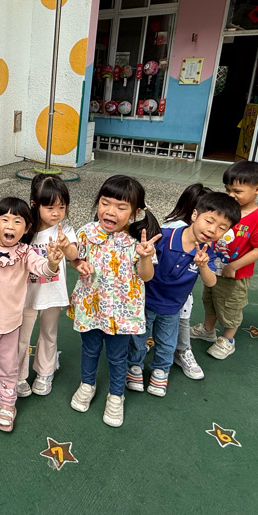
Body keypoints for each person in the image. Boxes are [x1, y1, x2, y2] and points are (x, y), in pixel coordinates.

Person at [68, 175, 159, 427]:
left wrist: (144, 257)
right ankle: (87, 384)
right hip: (91, 306)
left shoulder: (138, 241)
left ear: (135, 213)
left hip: (122, 313)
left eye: (121, 207)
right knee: (89, 349)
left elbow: (146, 276)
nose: (110, 211)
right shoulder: (87, 232)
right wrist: (78, 264)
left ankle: (116, 396)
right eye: (105, 203)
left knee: (118, 356)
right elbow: (76, 258)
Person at [128, 191, 238, 397]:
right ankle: (134, 366)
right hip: (144, 301)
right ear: (194, 215)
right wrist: (145, 256)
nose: (212, 229)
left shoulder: (207, 252)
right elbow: (144, 274)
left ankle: (161, 370)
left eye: (222, 228)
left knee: (167, 342)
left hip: (172, 307)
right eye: (209, 221)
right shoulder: (164, 237)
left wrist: (203, 265)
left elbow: (211, 282)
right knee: (137, 338)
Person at [0, 197, 63, 432]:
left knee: (8, 366)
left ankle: (7, 405)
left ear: (27, 228)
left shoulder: (25, 252)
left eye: (17, 221)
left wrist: (52, 263)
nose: (10, 226)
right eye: (5, 219)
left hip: (10, 324)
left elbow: (43, 269)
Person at [191, 161, 258, 360]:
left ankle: (228, 339)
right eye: (227, 190)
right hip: (213, 268)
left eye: (237, 191)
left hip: (235, 275)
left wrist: (234, 266)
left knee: (230, 307)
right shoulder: (226, 211)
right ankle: (208, 330)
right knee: (210, 300)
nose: (230, 195)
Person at [18, 173, 79, 397]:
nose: (56, 213)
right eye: (50, 207)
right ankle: (17, 375)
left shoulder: (65, 231)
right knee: (21, 337)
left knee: (49, 333)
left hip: (52, 293)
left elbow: (73, 254)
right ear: (35, 204)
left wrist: (66, 246)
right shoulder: (25, 230)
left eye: (61, 207)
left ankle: (45, 372)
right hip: (25, 294)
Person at [156, 183, 210, 380]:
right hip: (162, 291)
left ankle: (180, 349)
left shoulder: (197, 233)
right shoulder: (174, 230)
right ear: (195, 212)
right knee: (174, 319)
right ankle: (181, 350)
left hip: (178, 292)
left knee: (177, 318)